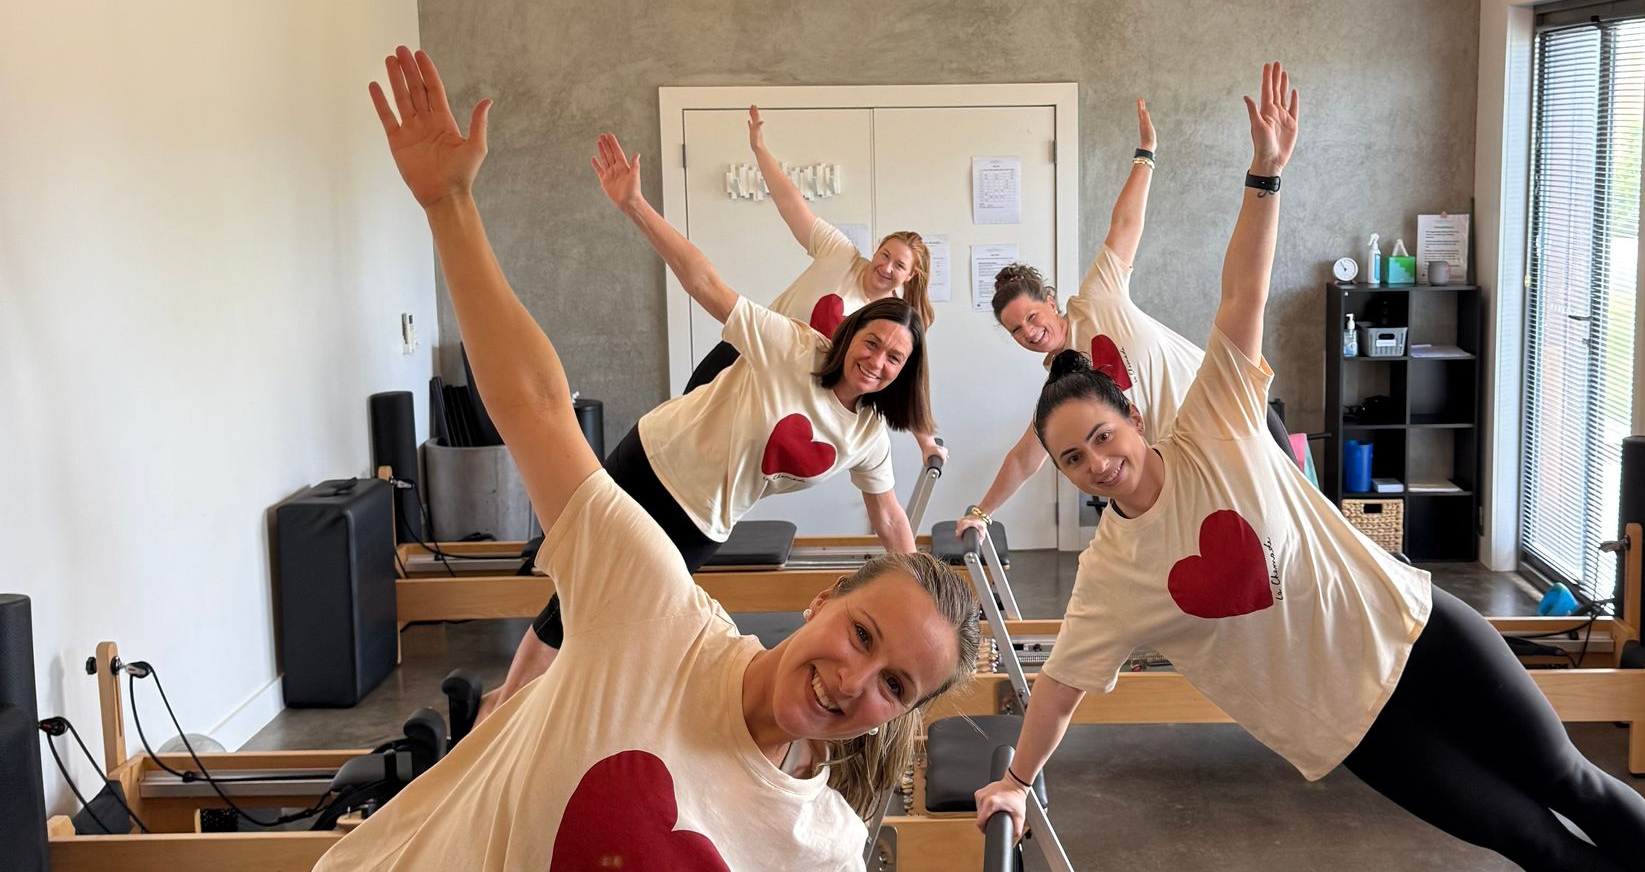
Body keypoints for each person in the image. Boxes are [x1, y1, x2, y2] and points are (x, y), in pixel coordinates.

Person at [0, 47, 990, 872]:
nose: (853, 677)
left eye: (891, 686)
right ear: (820, 599)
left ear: (901, 719)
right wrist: (449, 209)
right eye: (860, 636)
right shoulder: (654, 604)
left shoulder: (814, 849)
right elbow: (533, 407)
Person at [973, 63, 1645, 872]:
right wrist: (1017, 781)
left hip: (1416, 627)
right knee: (1526, 835)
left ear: (1133, 419)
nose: (1095, 462)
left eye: (1101, 437)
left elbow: (1242, 292)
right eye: (1072, 460)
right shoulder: (1112, 573)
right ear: (1064, 473)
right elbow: (1063, 687)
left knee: (1568, 777)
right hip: (1354, 724)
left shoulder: (1215, 423)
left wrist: (1264, 173)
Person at [480, 129, 932, 718]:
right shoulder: (796, 342)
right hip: (655, 459)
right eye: (871, 344)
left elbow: (888, 513)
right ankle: (504, 712)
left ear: (904, 371)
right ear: (853, 335)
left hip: (707, 516)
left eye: (893, 358)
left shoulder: (869, 435)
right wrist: (635, 206)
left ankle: (506, 706)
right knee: (581, 591)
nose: (876, 361)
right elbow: (705, 282)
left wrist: (923, 584)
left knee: (617, 610)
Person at [955, 100, 1294, 544]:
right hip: (1194, 462)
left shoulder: (1098, 298)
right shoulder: (1066, 387)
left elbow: (1126, 223)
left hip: (1238, 410)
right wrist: (981, 512)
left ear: (1052, 302)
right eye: (1016, 330)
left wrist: (1145, 153)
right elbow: (1027, 456)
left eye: (1032, 317)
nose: (1030, 333)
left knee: (1303, 525)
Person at [653, 107, 944, 470]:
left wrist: (927, 443)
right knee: (686, 418)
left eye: (899, 265)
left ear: (910, 276)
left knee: (729, 458)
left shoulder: (892, 322)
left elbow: (908, 381)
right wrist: (759, 149)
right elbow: (790, 201)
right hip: (744, 348)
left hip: (787, 387)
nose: (885, 267)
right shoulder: (838, 252)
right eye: (884, 254)